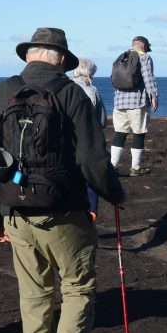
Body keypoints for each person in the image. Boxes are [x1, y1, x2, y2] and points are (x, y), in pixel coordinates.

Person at [0, 27, 124, 333]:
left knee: (35, 305)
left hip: (16, 215)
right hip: (65, 214)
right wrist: (115, 194)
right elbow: (92, 160)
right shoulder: (71, 94)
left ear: (29, 55)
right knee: (78, 291)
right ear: (60, 60)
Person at [110, 36, 158, 177]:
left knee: (120, 133)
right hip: (137, 102)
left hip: (119, 102)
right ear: (143, 46)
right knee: (139, 133)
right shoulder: (144, 57)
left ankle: (112, 167)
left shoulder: (121, 57)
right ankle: (136, 168)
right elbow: (148, 78)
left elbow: (113, 79)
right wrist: (154, 97)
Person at [70, 59, 107, 220]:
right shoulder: (92, 91)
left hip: (66, 141)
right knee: (90, 179)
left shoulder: (64, 87)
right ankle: (91, 213)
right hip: (87, 141)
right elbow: (102, 121)